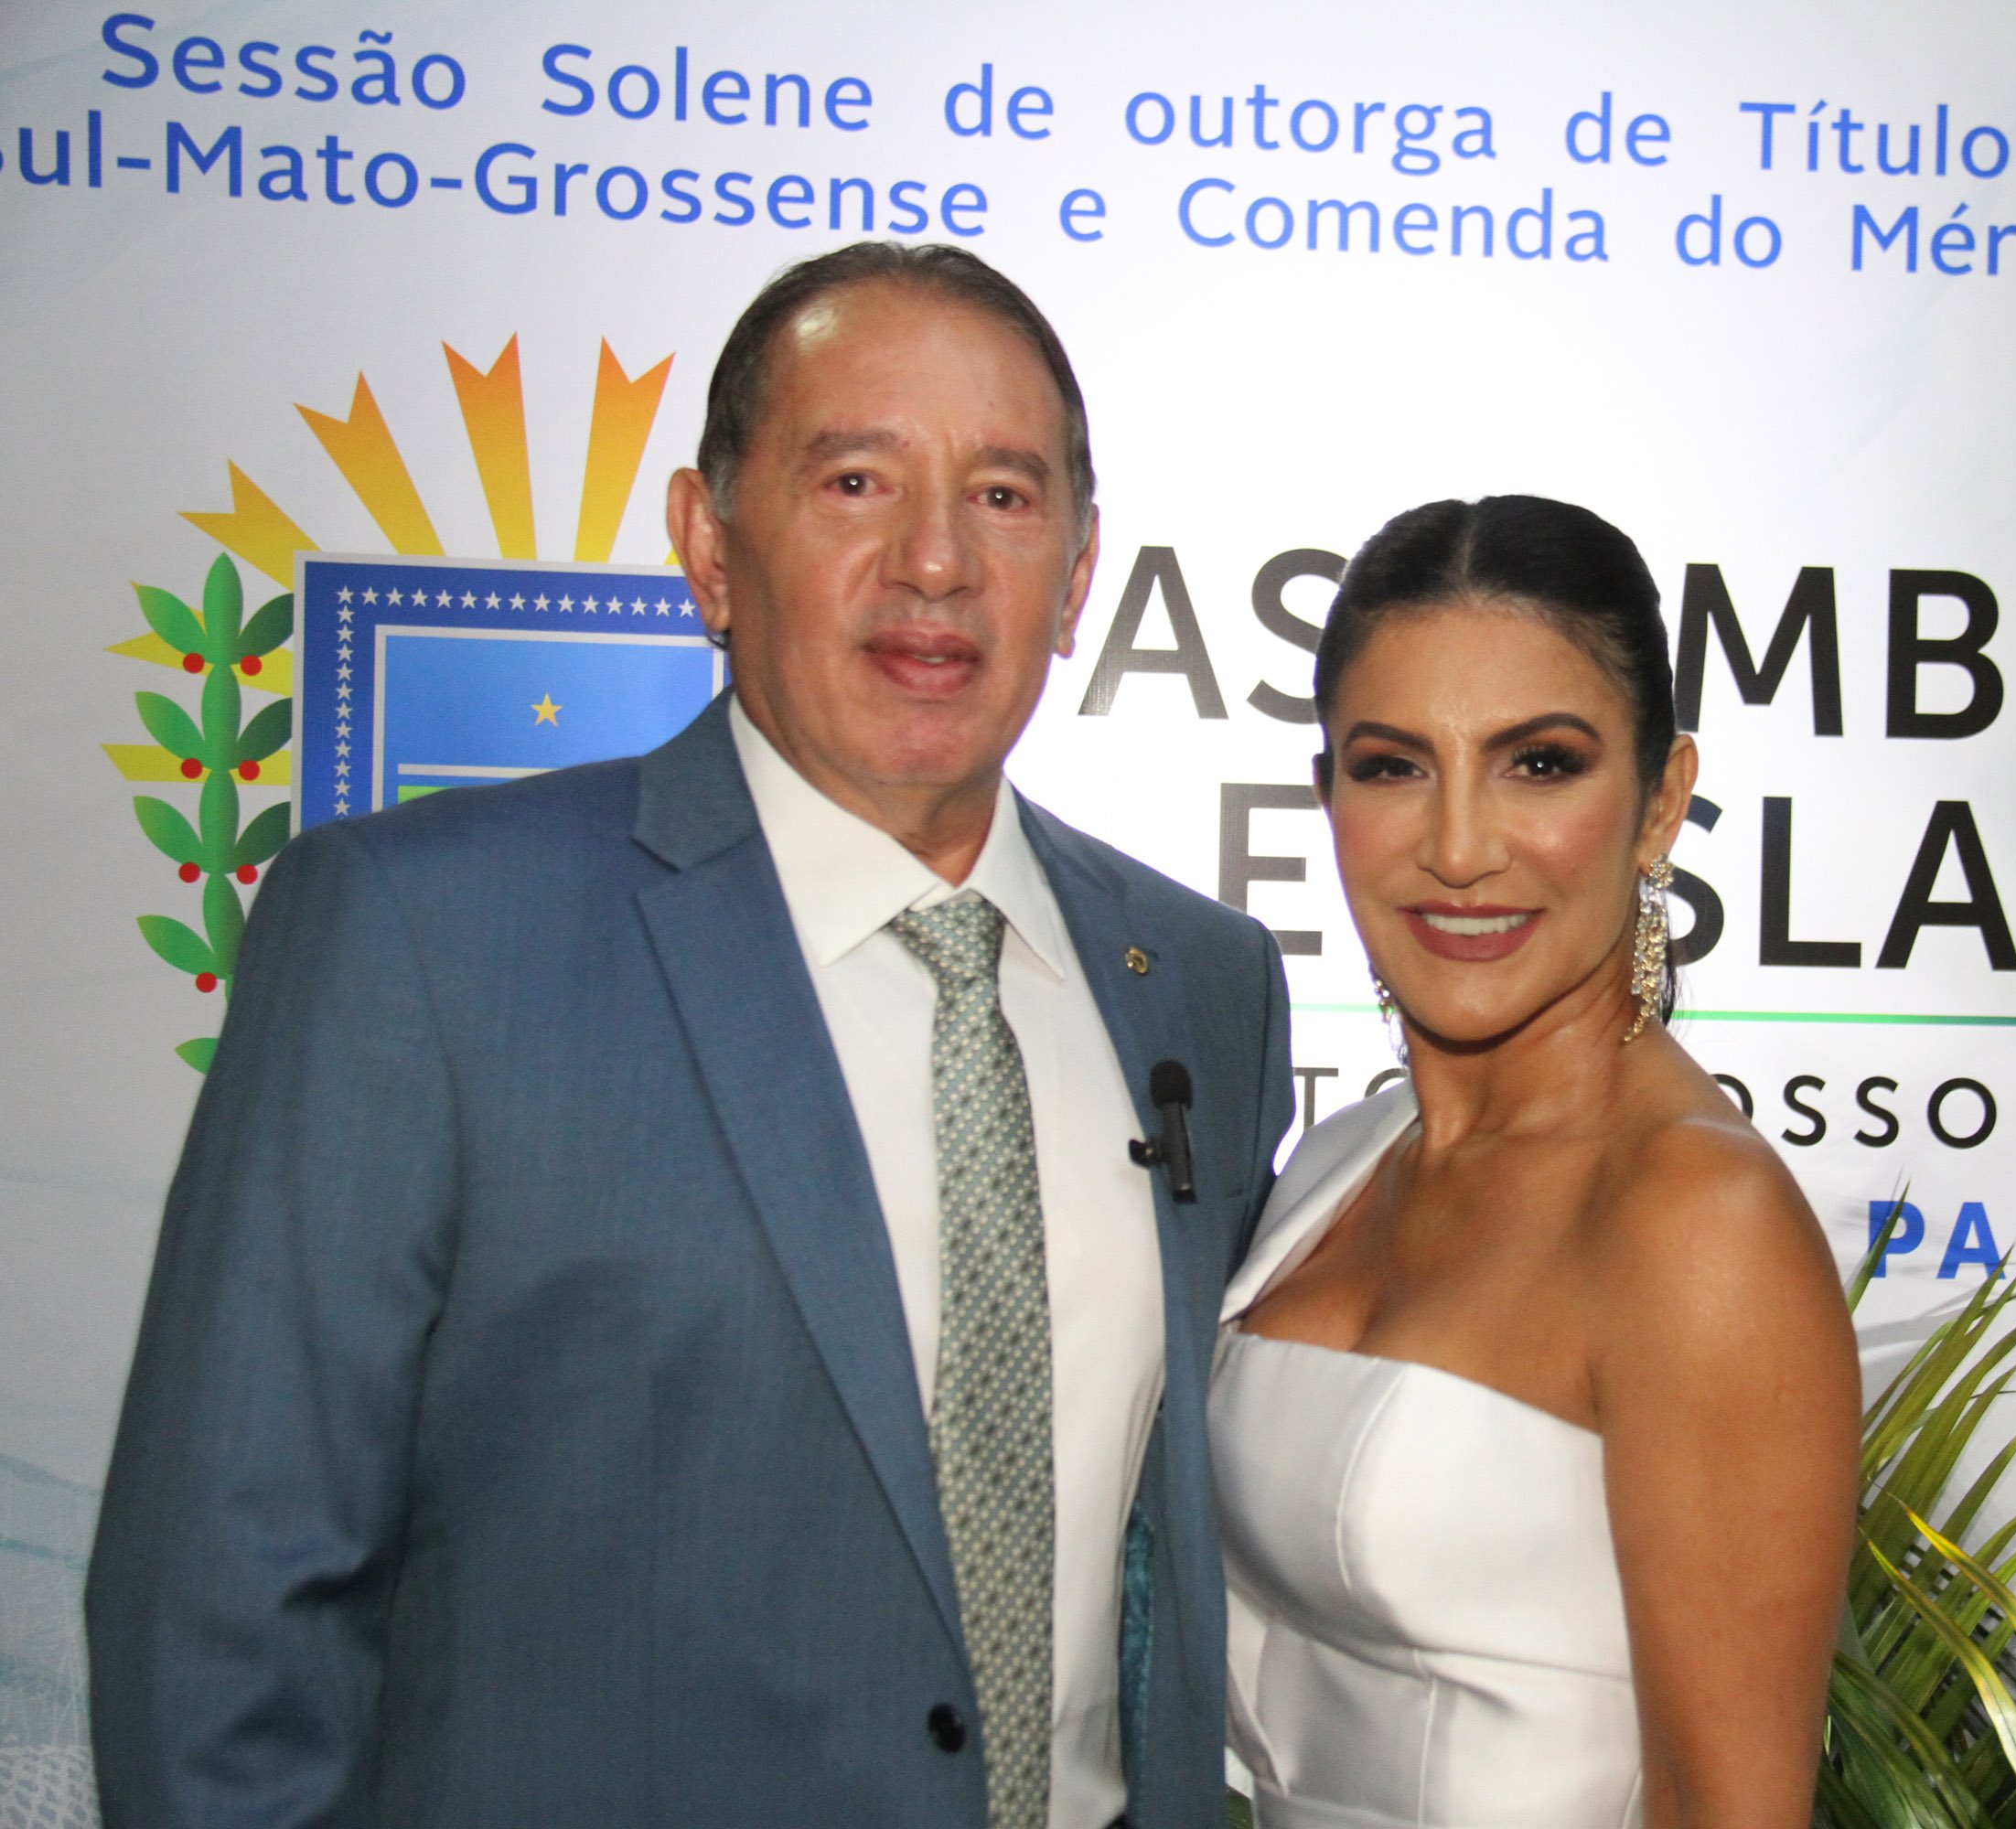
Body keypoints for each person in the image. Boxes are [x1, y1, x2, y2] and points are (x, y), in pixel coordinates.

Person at [85, 242, 1293, 1829]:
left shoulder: (1200, 981)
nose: (936, 562)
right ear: (709, 546)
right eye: (855, 482)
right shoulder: (421, 937)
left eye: (1004, 495)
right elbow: (222, 1615)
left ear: (1076, 576)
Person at [1211, 497, 1861, 1829]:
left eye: (1540, 764)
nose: (1458, 849)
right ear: (1328, 794)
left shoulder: (1696, 1220)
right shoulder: (1338, 1161)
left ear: (1661, 801)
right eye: (1393, 767)